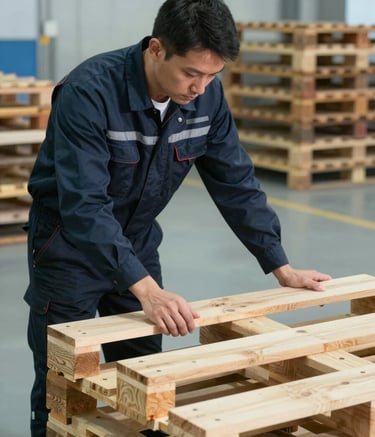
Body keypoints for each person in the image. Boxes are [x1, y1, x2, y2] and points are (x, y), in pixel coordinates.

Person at [24, 0, 331, 435]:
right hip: (68, 248)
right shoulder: (89, 92)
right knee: (63, 387)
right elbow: (85, 206)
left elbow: (236, 182)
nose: (201, 87)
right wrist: (149, 292)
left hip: (137, 242)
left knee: (144, 380)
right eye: (191, 72)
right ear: (155, 50)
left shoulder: (206, 98)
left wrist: (280, 264)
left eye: (213, 75)